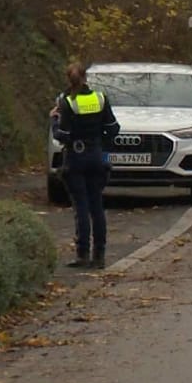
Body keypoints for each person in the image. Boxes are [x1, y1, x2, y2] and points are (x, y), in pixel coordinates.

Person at [50, 62, 120, 269]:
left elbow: (61, 135)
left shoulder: (66, 103)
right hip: (98, 157)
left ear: (68, 80)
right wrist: (100, 142)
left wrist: (53, 120)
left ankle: (82, 254)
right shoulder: (100, 98)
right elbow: (114, 128)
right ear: (86, 78)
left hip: (76, 158)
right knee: (97, 206)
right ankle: (99, 255)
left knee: (81, 207)